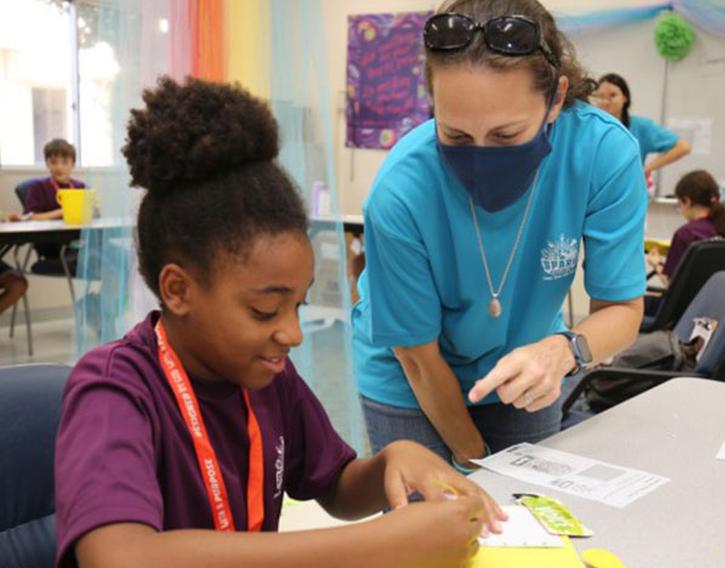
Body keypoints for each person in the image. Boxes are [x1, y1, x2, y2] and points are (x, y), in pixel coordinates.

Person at [54, 76, 504, 568]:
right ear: (178, 290)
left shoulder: (266, 374)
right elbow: (120, 559)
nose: (291, 334)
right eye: (265, 311)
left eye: (299, 307)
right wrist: (381, 546)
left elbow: (334, 485)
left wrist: (392, 461)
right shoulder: (114, 389)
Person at [354, 0, 646, 473]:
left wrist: (563, 351)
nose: (481, 157)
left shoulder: (601, 153)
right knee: (428, 534)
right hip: (412, 376)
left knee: (530, 529)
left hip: (526, 365)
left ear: (555, 99)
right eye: (456, 136)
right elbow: (417, 356)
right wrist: (477, 466)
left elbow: (623, 310)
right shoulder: (401, 192)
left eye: (507, 135)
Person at [649, 169, 725, 285]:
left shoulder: (685, 234)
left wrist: (656, 264)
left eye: (679, 204)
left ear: (687, 201)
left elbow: (671, 285)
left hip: (691, 302)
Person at [592, 73, 690, 178]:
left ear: (625, 97)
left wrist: (646, 169)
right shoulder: (590, 128)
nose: (606, 101)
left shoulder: (640, 126)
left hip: (629, 188)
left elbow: (683, 147)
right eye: (601, 96)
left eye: (613, 95)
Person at [7, 138, 86, 223]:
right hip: (45, 234)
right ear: (47, 164)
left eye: (65, 162)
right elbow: (29, 217)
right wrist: (62, 212)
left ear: (73, 165)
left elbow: (89, 215)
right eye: (53, 162)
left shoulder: (81, 187)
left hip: (75, 232)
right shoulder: (37, 187)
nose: (59, 167)